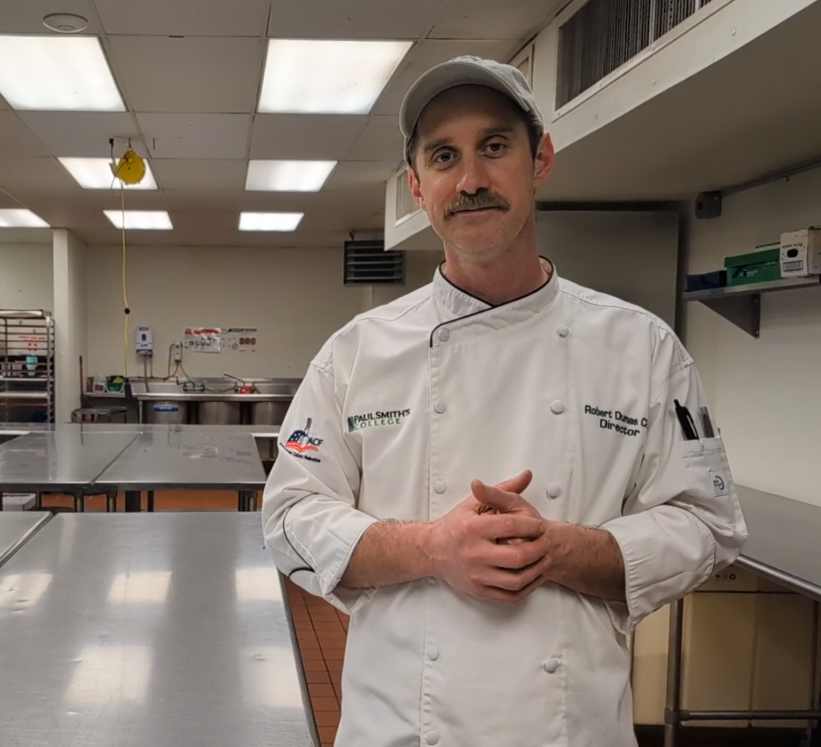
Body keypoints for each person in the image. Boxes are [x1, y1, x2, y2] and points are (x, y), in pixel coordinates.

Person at [261, 55, 748, 747]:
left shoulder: (642, 347)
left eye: (493, 147)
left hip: (570, 728)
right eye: (443, 156)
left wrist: (561, 550)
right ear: (416, 186)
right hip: (399, 727)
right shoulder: (355, 351)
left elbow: (708, 522)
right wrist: (432, 547)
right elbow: (288, 514)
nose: (470, 179)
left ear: (539, 158)